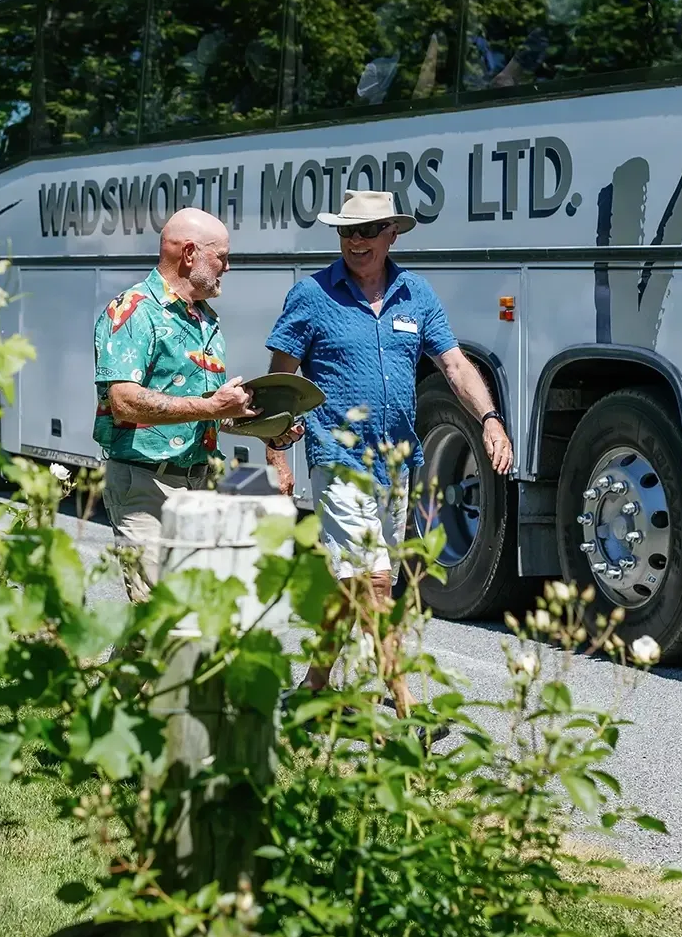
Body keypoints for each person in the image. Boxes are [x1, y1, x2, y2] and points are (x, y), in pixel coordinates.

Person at [264, 188, 514, 697]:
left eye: (367, 231)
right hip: (338, 460)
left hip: (398, 462)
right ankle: (405, 708)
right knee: (374, 583)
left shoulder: (416, 293)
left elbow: (455, 365)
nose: (356, 241)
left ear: (391, 233)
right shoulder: (311, 296)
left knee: (357, 580)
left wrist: (489, 418)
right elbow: (280, 381)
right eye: (347, 231)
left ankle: (313, 687)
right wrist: (276, 452)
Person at [93, 208, 259, 599]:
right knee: (159, 619)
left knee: (186, 618)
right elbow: (124, 402)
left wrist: (263, 425)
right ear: (189, 254)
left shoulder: (205, 320)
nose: (228, 267)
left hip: (198, 484)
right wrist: (214, 408)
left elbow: (203, 410)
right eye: (221, 256)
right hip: (143, 484)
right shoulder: (133, 311)